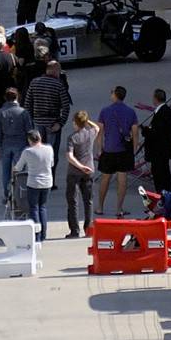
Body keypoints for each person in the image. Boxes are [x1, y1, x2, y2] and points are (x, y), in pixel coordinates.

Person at [96, 84, 139, 216]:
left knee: (105, 179)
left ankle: (100, 207)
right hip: (124, 151)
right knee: (122, 180)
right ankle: (119, 209)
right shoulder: (131, 112)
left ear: (115, 95)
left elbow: (100, 132)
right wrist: (134, 149)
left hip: (109, 149)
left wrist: (99, 148)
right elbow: (135, 132)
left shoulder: (105, 111)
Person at [24, 59, 71, 163]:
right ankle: (51, 177)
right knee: (52, 155)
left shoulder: (34, 82)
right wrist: (60, 123)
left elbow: (27, 104)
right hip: (53, 123)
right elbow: (66, 106)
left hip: (38, 122)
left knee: (39, 153)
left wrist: (32, 120)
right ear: (56, 71)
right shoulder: (58, 85)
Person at [0, 85, 31, 200]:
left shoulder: (0, 113)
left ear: (5, 98)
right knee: (20, 171)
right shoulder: (23, 112)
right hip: (20, 144)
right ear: (17, 97)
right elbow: (29, 130)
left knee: (6, 172)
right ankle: (20, 195)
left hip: (6, 145)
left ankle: (8, 195)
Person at [65, 108, 99, 237]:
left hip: (74, 173)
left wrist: (79, 166)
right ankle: (88, 229)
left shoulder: (72, 137)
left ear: (75, 123)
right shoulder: (90, 133)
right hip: (88, 170)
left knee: (73, 201)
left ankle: (74, 230)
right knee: (88, 201)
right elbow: (97, 128)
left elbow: (70, 156)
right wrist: (87, 121)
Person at [15, 130, 55, 239]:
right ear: (40, 138)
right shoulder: (49, 149)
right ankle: (43, 234)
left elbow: (18, 167)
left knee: (34, 208)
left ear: (29, 140)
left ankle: (37, 234)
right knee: (43, 207)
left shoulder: (27, 151)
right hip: (47, 182)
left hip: (33, 183)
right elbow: (51, 164)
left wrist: (14, 170)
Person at [142, 88, 171, 195]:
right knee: (164, 174)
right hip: (163, 150)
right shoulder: (167, 111)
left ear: (156, 99)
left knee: (160, 175)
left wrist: (145, 130)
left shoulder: (162, 112)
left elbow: (156, 132)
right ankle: (166, 196)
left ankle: (164, 197)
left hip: (159, 151)